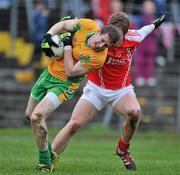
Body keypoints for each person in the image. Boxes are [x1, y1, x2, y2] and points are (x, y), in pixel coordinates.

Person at [51, 12, 166, 171]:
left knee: (135, 112)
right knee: (74, 124)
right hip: (96, 89)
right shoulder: (97, 38)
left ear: (125, 33)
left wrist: (158, 22)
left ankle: (122, 150)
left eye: (118, 35)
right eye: (112, 31)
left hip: (121, 90)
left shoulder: (133, 38)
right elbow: (77, 29)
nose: (112, 39)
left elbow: (147, 28)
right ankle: (48, 160)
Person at [25, 15, 123, 173]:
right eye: (102, 40)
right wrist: (48, 36)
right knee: (30, 116)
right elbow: (63, 24)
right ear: (98, 32)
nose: (101, 45)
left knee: (37, 117)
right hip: (48, 74)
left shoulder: (98, 58)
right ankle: (49, 156)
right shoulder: (88, 25)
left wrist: (68, 46)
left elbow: (71, 72)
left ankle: (45, 164)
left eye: (106, 45)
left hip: (64, 84)